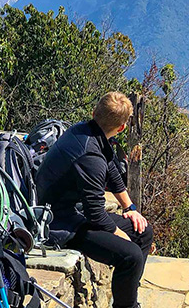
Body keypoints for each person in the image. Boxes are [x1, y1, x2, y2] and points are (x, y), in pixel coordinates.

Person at [34, 92, 153, 308]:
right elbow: (96, 214)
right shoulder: (90, 157)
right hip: (59, 223)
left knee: (144, 232)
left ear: (94, 113)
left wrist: (131, 208)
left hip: (73, 213)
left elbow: (113, 171)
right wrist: (120, 234)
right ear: (122, 127)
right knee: (131, 256)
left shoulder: (85, 131)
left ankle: (128, 294)